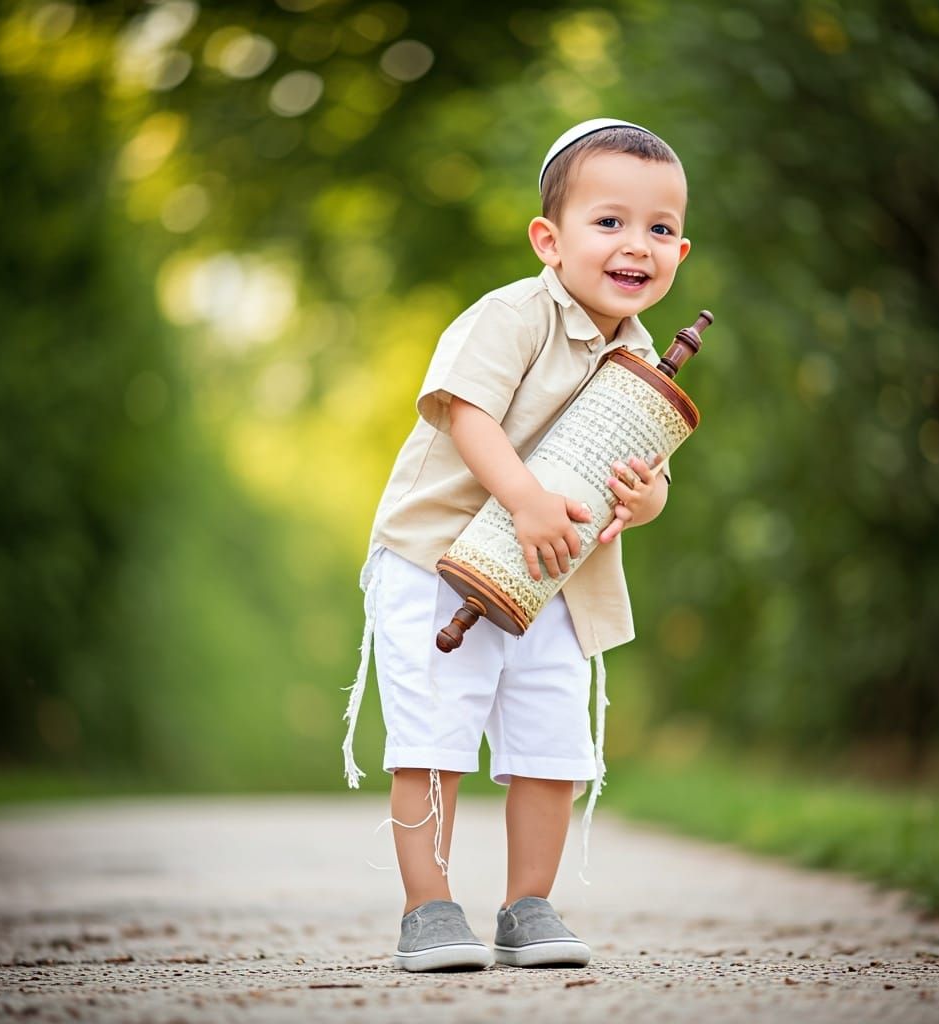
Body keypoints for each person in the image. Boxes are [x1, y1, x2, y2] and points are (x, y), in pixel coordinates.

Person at [341, 118, 692, 972]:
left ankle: (528, 905)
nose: (635, 246)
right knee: (436, 733)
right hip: (437, 557)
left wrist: (646, 501)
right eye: (609, 222)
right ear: (549, 238)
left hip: (552, 578)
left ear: (681, 250)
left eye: (659, 229)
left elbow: (640, 472)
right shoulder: (512, 315)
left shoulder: (643, 357)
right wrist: (527, 497)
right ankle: (429, 909)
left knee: (550, 740)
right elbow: (466, 412)